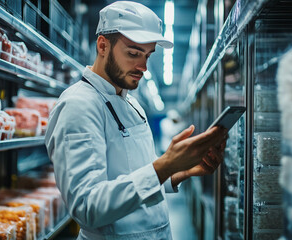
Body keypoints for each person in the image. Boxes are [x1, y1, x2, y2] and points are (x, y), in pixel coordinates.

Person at [45, 1, 228, 239]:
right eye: (133, 53)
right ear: (103, 45)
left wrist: (181, 170)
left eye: (148, 55)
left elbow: (140, 176)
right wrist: (165, 165)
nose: (143, 66)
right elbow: (87, 206)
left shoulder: (132, 103)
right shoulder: (78, 105)